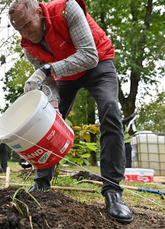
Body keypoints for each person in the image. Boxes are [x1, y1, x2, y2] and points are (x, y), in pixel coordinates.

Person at [8, 0, 133, 223]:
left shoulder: (67, 9)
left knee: (110, 110)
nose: (25, 32)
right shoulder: (27, 45)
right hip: (64, 75)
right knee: (47, 119)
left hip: (98, 62)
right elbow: (48, 79)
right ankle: (42, 183)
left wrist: (49, 69)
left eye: (27, 24)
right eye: (19, 29)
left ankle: (113, 192)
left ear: (39, 11)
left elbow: (88, 55)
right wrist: (53, 103)